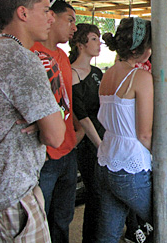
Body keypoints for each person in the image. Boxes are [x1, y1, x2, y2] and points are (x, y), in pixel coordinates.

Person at [0, 0, 65, 242]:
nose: (50, 17)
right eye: (45, 9)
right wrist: (45, 123)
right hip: (12, 199)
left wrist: (38, 122)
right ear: (22, 13)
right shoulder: (21, 60)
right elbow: (56, 135)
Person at [96, 17, 167, 243]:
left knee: (109, 234)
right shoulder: (140, 77)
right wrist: (165, 156)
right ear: (142, 49)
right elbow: (144, 134)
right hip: (130, 165)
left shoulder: (108, 74)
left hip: (106, 160)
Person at [31, 0, 84, 243]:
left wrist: (76, 133)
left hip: (67, 150)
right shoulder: (30, 53)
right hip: (44, 154)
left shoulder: (62, 56)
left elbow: (67, 103)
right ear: (50, 17)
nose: (74, 27)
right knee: (38, 218)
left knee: (63, 217)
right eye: (70, 20)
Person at [69, 23, 105, 243]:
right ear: (80, 44)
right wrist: (99, 144)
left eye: (99, 38)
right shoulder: (72, 74)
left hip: (103, 135)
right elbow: (82, 116)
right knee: (95, 193)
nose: (98, 43)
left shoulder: (97, 72)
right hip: (88, 141)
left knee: (103, 194)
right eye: (93, 38)